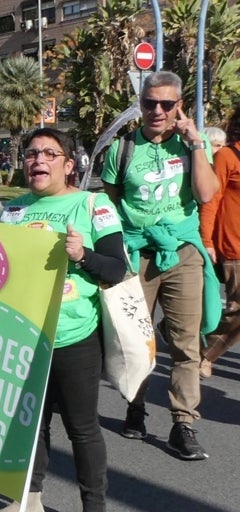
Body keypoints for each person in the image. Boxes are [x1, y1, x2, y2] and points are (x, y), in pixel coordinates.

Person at [0, 128, 127, 512]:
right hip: (23, 338)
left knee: (82, 429)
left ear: (69, 164)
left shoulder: (93, 205)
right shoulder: (13, 209)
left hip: (74, 338)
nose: (38, 160)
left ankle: (94, 506)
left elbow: (116, 268)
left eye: (49, 153)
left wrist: (82, 254)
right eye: (32, 153)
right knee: (30, 425)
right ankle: (29, 499)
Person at [102, 71, 219, 461]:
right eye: (150, 102)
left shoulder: (190, 148)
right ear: (140, 103)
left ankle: (182, 423)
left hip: (182, 252)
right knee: (136, 340)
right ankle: (135, 407)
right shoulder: (123, 149)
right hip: (138, 253)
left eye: (167, 104)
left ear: (178, 106)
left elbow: (205, 194)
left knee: (186, 344)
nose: (157, 110)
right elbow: (113, 202)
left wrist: (196, 143)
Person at [198, 108, 240, 378]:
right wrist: (206, 241)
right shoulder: (227, 156)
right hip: (234, 245)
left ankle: (174, 329)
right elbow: (211, 201)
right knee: (238, 308)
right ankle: (206, 353)